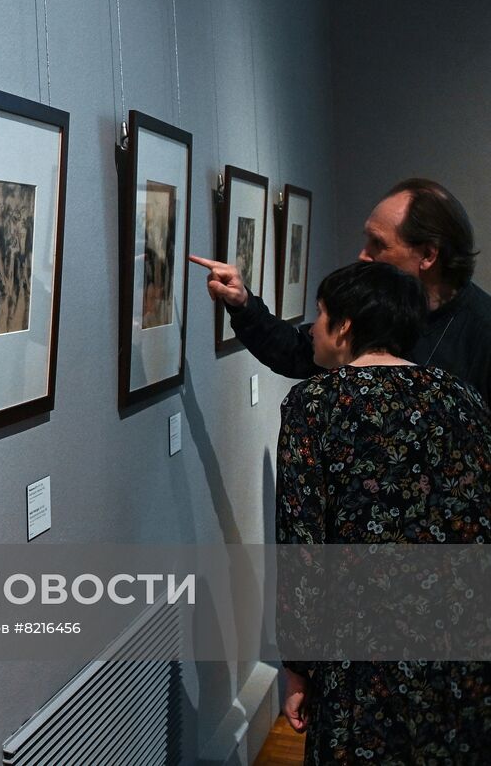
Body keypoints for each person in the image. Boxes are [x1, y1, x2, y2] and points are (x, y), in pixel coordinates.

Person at [275, 261, 491, 764]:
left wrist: (298, 665)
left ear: (346, 325)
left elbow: (302, 548)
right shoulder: (463, 398)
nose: (313, 330)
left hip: (360, 645)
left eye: (322, 314)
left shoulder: (314, 405)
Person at [190, 178, 491, 402]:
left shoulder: (482, 330)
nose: (363, 255)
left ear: (428, 255)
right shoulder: (374, 311)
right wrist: (243, 305)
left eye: (378, 244)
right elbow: (298, 351)